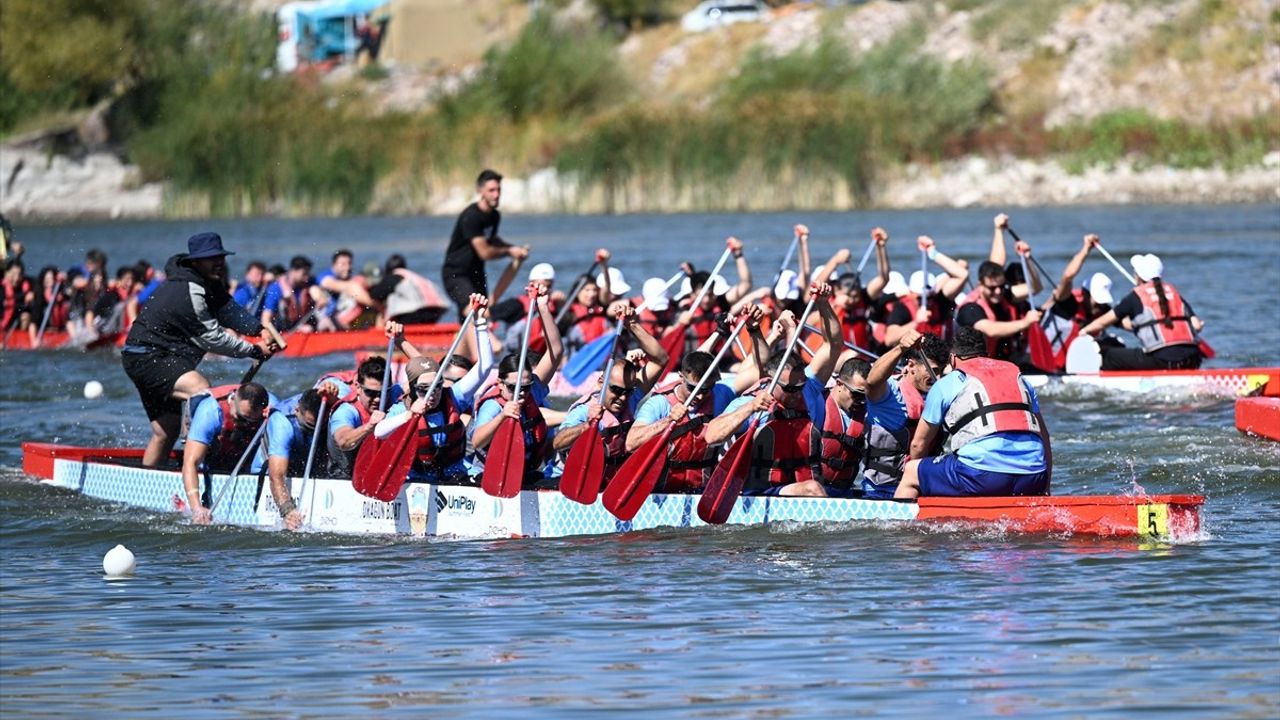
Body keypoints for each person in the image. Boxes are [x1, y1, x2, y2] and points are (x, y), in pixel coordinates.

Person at [122, 233, 277, 467]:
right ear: (195, 261)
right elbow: (212, 338)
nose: (218, 263)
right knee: (201, 390)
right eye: (211, 258)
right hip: (148, 358)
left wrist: (259, 329)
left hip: (157, 357)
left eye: (220, 257)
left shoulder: (206, 283)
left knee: (166, 430)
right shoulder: (188, 291)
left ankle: (149, 474)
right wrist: (254, 350)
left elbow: (228, 310)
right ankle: (201, 459)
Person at [703, 284, 840, 497]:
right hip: (759, 493)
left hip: (800, 488)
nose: (796, 393)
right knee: (813, 489)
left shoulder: (809, 389)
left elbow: (833, 344)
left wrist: (824, 304)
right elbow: (711, 436)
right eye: (789, 389)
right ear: (771, 381)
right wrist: (750, 408)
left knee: (820, 487)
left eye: (799, 387)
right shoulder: (753, 401)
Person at [895, 326, 1051, 499]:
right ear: (986, 354)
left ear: (952, 359)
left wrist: (923, 475)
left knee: (911, 472)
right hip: (1034, 476)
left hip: (982, 477)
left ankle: (900, 524)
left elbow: (918, 445)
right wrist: (1045, 487)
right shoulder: (1019, 377)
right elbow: (1044, 437)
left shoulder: (946, 384)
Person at [371, 297, 497, 484]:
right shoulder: (403, 409)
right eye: (424, 389)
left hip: (454, 474)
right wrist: (408, 417)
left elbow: (485, 366)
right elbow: (379, 432)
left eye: (437, 386)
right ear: (412, 389)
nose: (433, 393)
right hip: (415, 478)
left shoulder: (454, 397)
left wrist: (479, 321)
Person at [553, 304, 669, 488]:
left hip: (609, 481)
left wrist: (632, 325)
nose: (622, 398)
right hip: (569, 481)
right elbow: (558, 442)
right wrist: (586, 426)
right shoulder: (585, 410)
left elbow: (661, 359)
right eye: (616, 390)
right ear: (602, 382)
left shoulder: (630, 397)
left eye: (627, 392)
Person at [471, 284, 564, 486]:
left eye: (526, 387)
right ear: (500, 383)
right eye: (513, 388)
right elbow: (477, 441)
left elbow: (555, 352)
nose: (520, 393)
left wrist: (543, 307)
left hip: (525, 473)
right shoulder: (492, 405)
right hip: (489, 476)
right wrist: (503, 416)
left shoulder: (532, 390)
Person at [859, 329, 949, 498]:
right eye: (933, 370)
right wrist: (900, 347)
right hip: (882, 490)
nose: (937, 377)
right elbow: (871, 382)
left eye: (940, 372)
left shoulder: (939, 395)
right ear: (911, 366)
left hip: (922, 489)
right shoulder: (890, 391)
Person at [1080, 253, 1205, 370]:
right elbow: (1196, 326)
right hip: (1193, 358)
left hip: (1164, 360)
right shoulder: (1173, 292)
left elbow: (1102, 323)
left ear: (1138, 276)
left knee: (1108, 355)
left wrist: (1084, 331)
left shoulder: (1136, 296)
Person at [441, 169, 530, 321]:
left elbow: (492, 240)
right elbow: (485, 252)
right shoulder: (471, 216)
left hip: (476, 273)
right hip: (456, 274)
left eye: (498, 190)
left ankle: (469, 341)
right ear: (480, 190)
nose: (496, 195)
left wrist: (515, 249)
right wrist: (509, 251)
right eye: (491, 190)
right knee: (473, 312)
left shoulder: (494, 216)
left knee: (482, 316)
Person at [181, 382, 272, 524]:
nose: (244, 424)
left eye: (250, 420)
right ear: (234, 399)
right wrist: (197, 508)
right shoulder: (210, 412)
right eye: (241, 417)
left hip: (249, 451)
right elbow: (190, 463)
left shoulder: (272, 409)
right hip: (213, 451)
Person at [260, 387, 334, 530]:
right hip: (268, 469)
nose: (316, 430)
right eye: (310, 426)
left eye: (320, 425)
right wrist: (287, 511)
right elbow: (277, 476)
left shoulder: (330, 406)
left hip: (308, 459)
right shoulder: (282, 423)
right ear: (297, 410)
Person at [882, 236, 968, 348]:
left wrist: (932, 252)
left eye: (929, 298)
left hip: (941, 359)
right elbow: (889, 339)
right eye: (920, 298)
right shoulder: (902, 309)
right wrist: (916, 322)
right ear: (911, 294)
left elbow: (962, 275)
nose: (926, 302)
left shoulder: (939, 301)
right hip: (914, 360)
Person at [819, 356, 870, 495]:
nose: (861, 401)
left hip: (846, 492)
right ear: (839, 384)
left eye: (865, 396)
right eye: (856, 394)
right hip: (816, 493)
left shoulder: (866, 415)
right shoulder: (819, 405)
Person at [367, 254, 448, 325]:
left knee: (392, 297)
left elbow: (375, 295)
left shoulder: (394, 275)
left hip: (415, 312)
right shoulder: (413, 276)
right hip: (437, 310)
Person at [314, 249, 377, 330]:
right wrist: (376, 305)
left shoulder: (348, 279)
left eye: (349, 263)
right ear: (334, 265)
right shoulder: (325, 276)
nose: (347, 267)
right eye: (343, 264)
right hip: (325, 320)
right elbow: (345, 286)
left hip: (339, 318)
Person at [261, 255, 315, 332]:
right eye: (304, 274)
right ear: (293, 271)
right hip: (282, 331)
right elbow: (265, 319)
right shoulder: (276, 288)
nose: (306, 278)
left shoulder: (308, 284)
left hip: (302, 328)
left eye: (308, 274)